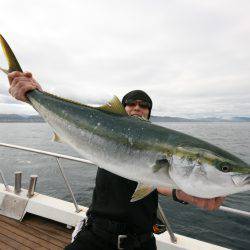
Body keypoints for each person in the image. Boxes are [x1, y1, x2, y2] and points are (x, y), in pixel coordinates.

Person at [8, 71, 225, 250]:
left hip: (141, 241)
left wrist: (185, 193)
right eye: (130, 103)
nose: (137, 107)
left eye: (144, 105)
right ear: (122, 109)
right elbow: (74, 118)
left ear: (149, 113)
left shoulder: (159, 149)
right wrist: (34, 94)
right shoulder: (105, 137)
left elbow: (158, 184)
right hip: (96, 232)